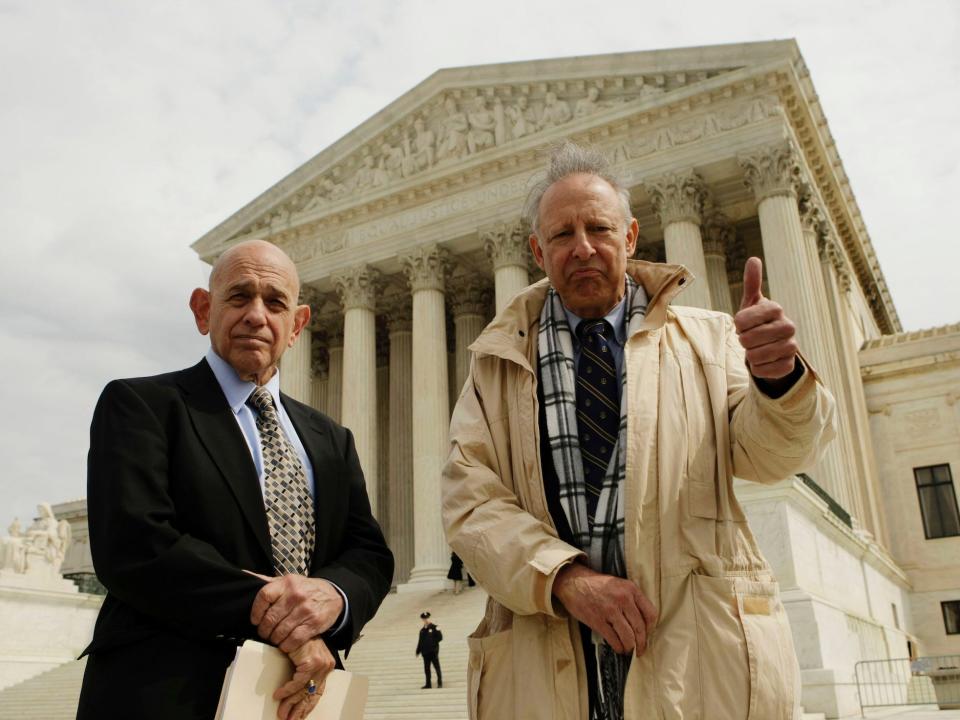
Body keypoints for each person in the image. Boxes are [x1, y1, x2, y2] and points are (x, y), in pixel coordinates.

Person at [442, 142, 836, 720]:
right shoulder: (495, 364)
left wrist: (777, 382)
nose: (582, 248)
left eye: (598, 228)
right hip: (552, 654)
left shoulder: (708, 338)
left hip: (694, 655)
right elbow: (468, 502)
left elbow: (770, 455)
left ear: (629, 237)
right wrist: (565, 578)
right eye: (561, 235)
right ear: (536, 251)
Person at [77, 239, 393, 720]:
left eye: (275, 302)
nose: (256, 315)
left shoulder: (331, 438)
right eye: (239, 297)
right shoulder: (144, 406)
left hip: (295, 696)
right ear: (204, 311)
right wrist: (290, 622)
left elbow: (366, 552)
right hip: (165, 690)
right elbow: (135, 543)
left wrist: (335, 598)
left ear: (297, 326)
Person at [415, 611, 443, 689]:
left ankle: (440, 683)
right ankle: (428, 684)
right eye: (424, 619)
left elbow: (440, 637)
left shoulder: (435, 627)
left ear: (429, 618)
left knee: (437, 667)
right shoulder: (422, 630)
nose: (426, 620)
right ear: (422, 620)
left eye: (427, 618)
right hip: (425, 653)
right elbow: (420, 642)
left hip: (433, 651)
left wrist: (433, 644)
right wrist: (418, 651)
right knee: (427, 669)